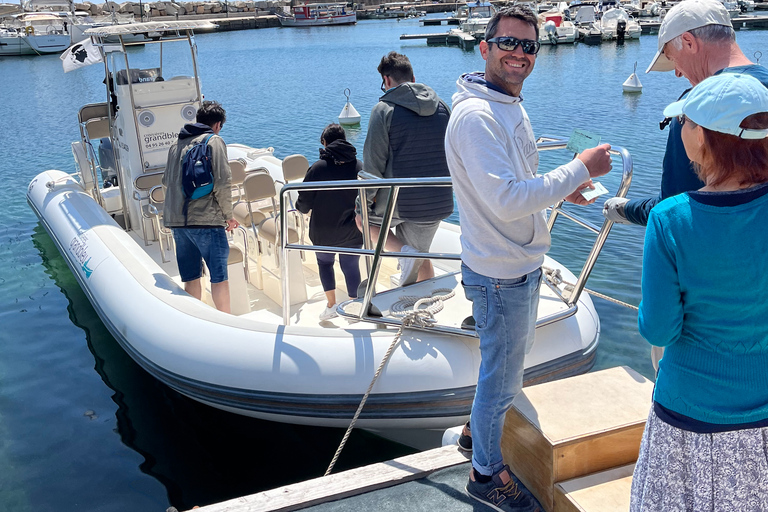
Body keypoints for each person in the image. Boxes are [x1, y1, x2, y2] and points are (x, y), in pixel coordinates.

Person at [444, 6, 612, 511]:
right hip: (502, 273)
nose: (519, 53)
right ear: (485, 47)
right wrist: (579, 167)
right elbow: (507, 200)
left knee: (498, 369)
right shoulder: (476, 116)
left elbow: (521, 181)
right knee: (504, 379)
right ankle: (485, 475)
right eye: (509, 43)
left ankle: (478, 437)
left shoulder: (505, 104)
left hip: (511, 264)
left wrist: (565, 191)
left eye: (529, 46)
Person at [630, 72, 768, 511]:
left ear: (708, 138)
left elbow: (660, 329)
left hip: (692, 413)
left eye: (685, 123)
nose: (681, 131)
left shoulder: (671, 220)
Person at [603, 0, 768, 226]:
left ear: (689, 42)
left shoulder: (695, 112)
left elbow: (675, 209)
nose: (678, 73)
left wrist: (623, 208)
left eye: (672, 60)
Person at [357, 51, 453, 286]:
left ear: (387, 80)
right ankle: (425, 303)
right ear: (413, 77)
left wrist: (363, 204)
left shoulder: (384, 110)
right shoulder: (443, 107)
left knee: (363, 221)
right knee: (421, 257)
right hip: (437, 199)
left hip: (400, 201)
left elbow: (373, 167)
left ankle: (406, 254)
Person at [163, 101, 238, 313]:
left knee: (191, 277)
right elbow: (223, 182)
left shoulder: (175, 146)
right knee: (219, 276)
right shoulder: (213, 141)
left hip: (178, 222)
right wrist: (228, 216)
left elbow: (166, 182)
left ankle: (195, 320)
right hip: (206, 221)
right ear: (217, 125)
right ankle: (227, 323)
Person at [296, 124, 364, 321]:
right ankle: (353, 309)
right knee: (351, 266)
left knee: (325, 264)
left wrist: (301, 208)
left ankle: (332, 305)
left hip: (323, 230)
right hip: (352, 229)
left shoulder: (317, 168)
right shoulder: (359, 166)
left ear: (325, 143)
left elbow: (304, 200)